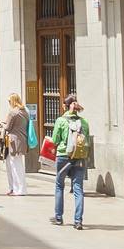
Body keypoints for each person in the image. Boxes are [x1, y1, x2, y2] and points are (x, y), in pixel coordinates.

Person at [51, 94, 90, 230]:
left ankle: (58, 217)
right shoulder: (84, 122)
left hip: (63, 156)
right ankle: (78, 221)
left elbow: (55, 140)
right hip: (79, 157)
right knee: (78, 188)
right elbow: (87, 141)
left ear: (65, 106)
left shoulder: (61, 120)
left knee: (59, 186)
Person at [0, 94, 29, 197]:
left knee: (14, 166)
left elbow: (7, 127)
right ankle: (15, 188)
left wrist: (2, 124)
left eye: (9, 101)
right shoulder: (24, 111)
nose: (8, 103)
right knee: (16, 164)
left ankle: (18, 189)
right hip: (22, 140)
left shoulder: (13, 113)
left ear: (13, 101)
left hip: (13, 141)